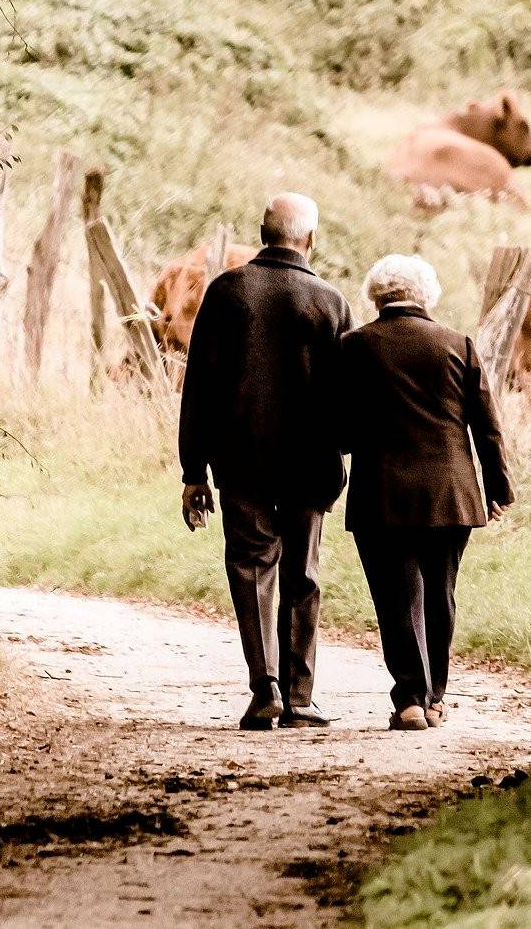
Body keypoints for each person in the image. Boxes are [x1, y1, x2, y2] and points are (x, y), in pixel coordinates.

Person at [178, 193, 352, 730]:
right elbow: (347, 395)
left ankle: (265, 689)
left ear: (261, 232)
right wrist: (342, 451)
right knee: (303, 574)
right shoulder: (329, 301)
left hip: (241, 461)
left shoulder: (227, 293)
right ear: (311, 239)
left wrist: (194, 471)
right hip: (310, 464)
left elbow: (199, 387)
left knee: (251, 569)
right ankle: (301, 698)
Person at [339, 254, 512, 731]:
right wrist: (497, 487)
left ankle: (410, 699)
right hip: (452, 493)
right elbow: (487, 427)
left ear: (375, 295)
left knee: (397, 597)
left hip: (382, 493)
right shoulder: (458, 344)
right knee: (441, 594)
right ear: (427, 294)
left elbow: (342, 429)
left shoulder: (354, 347)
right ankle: (435, 697)